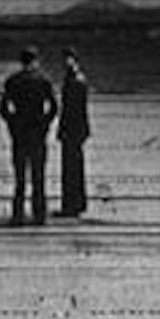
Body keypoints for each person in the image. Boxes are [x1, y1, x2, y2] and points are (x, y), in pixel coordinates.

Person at [0, 46, 58, 226]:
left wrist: (13, 124)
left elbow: (3, 109)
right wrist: (44, 124)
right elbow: (53, 107)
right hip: (38, 134)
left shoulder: (12, 81)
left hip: (19, 135)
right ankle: (39, 214)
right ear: (36, 61)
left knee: (20, 177)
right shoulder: (43, 81)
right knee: (39, 176)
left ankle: (18, 215)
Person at [56, 49, 91, 217]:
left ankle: (71, 205)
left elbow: (73, 110)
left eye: (68, 59)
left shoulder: (75, 81)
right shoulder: (75, 79)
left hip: (72, 130)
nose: (65, 63)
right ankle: (76, 203)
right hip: (75, 130)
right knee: (74, 168)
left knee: (71, 169)